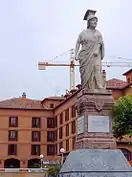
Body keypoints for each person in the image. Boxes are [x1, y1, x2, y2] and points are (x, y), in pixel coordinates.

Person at [75, 12, 105, 89]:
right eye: (93, 20)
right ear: (88, 22)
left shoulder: (98, 33)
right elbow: (78, 43)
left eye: (96, 21)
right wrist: (76, 54)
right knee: (86, 72)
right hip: (85, 56)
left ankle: (99, 86)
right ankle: (87, 86)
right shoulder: (83, 33)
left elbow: (100, 43)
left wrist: (97, 49)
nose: (95, 22)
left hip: (95, 55)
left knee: (97, 68)